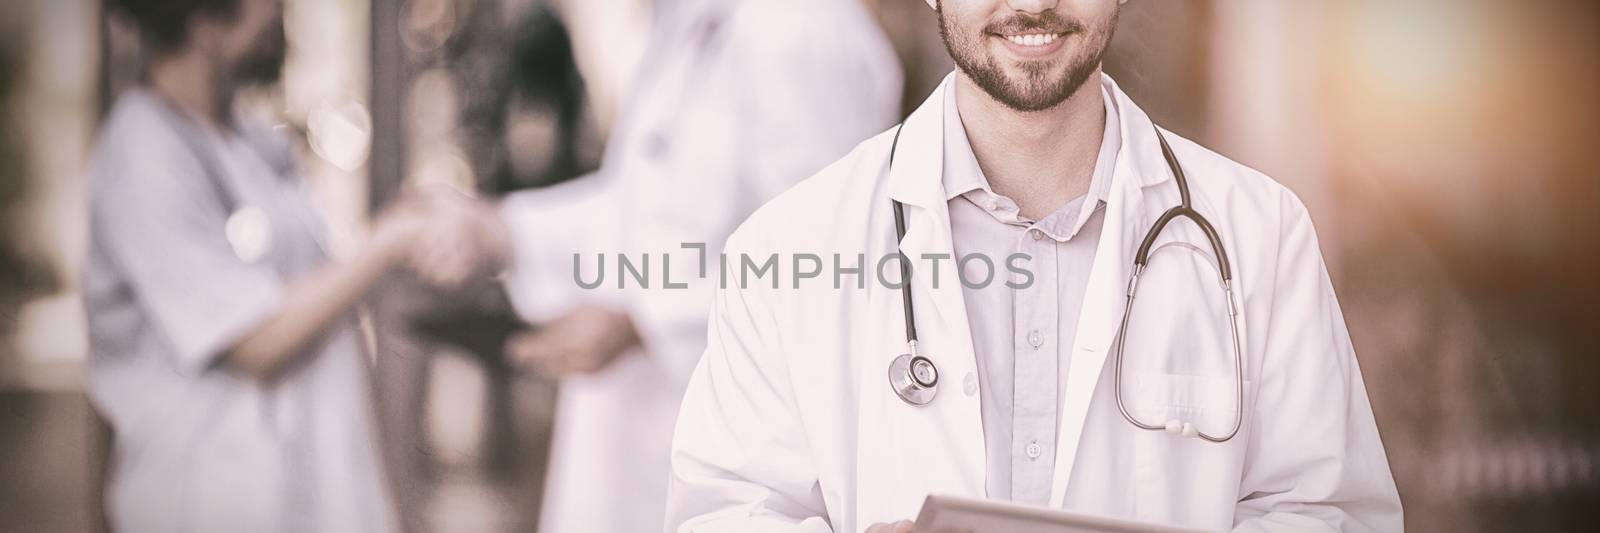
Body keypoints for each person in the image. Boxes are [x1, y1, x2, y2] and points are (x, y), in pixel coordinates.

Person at [665, 1, 1404, 532]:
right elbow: (724, 511)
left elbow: (1330, 511)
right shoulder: (785, 248)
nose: (1032, 4)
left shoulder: (1260, 233)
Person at [424, 0, 902, 531]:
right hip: (635, 430)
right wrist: (503, 229)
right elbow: (644, 209)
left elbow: (824, 260)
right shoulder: (687, 25)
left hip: (734, 450)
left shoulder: (798, 32)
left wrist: (642, 322)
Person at [84, 0, 459, 531]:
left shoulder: (250, 139)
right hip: (206, 500)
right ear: (204, 22)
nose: (280, 11)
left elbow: (305, 282)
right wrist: (385, 242)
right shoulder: (142, 157)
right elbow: (256, 340)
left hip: (305, 492)